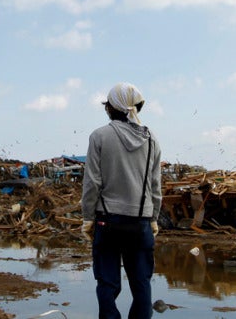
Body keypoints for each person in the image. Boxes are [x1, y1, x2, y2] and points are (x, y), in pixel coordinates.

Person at [81, 82, 162, 319]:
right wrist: (154, 217)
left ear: (111, 108)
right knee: (141, 283)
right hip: (141, 222)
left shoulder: (99, 136)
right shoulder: (152, 140)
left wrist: (87, 218)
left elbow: (92, 183)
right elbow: (155, 186)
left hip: (108, 221)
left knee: (107, 283)